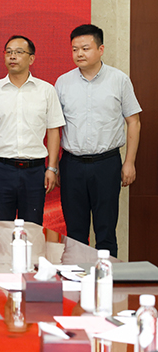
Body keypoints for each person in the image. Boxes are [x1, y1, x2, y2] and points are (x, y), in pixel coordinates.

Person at [55, 24, 141, 257]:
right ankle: (76, 277)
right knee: (75, 233)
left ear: (100, 49)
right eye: (74, 49)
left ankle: (107, 277)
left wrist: (129, 162)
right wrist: (54, 166)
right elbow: (54, 127)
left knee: (106, 231)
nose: (79, 54)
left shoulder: (119, 80)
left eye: (85, 48)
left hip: (107, 164)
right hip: (72, 164)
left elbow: (134, 121)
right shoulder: (63, 82)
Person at [0, 35, 65, 225]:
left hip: (34, 172)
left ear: (31, 58)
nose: (12, 56)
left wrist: (52, 168)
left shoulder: (46, 91)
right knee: (1, 229)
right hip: (1, 170)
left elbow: (53, 131)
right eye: (8, 52)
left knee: (32, 230)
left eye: (18, 52)